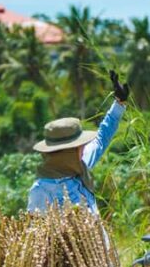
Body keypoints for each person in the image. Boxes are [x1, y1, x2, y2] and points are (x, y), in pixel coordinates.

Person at [27, 70, 130, 214]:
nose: (84, 148)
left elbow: (101, 139)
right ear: (66, 153)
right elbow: (37, 233)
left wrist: (119, 103)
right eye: (79, 146)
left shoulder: (80, 164)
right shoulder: (41, 190)